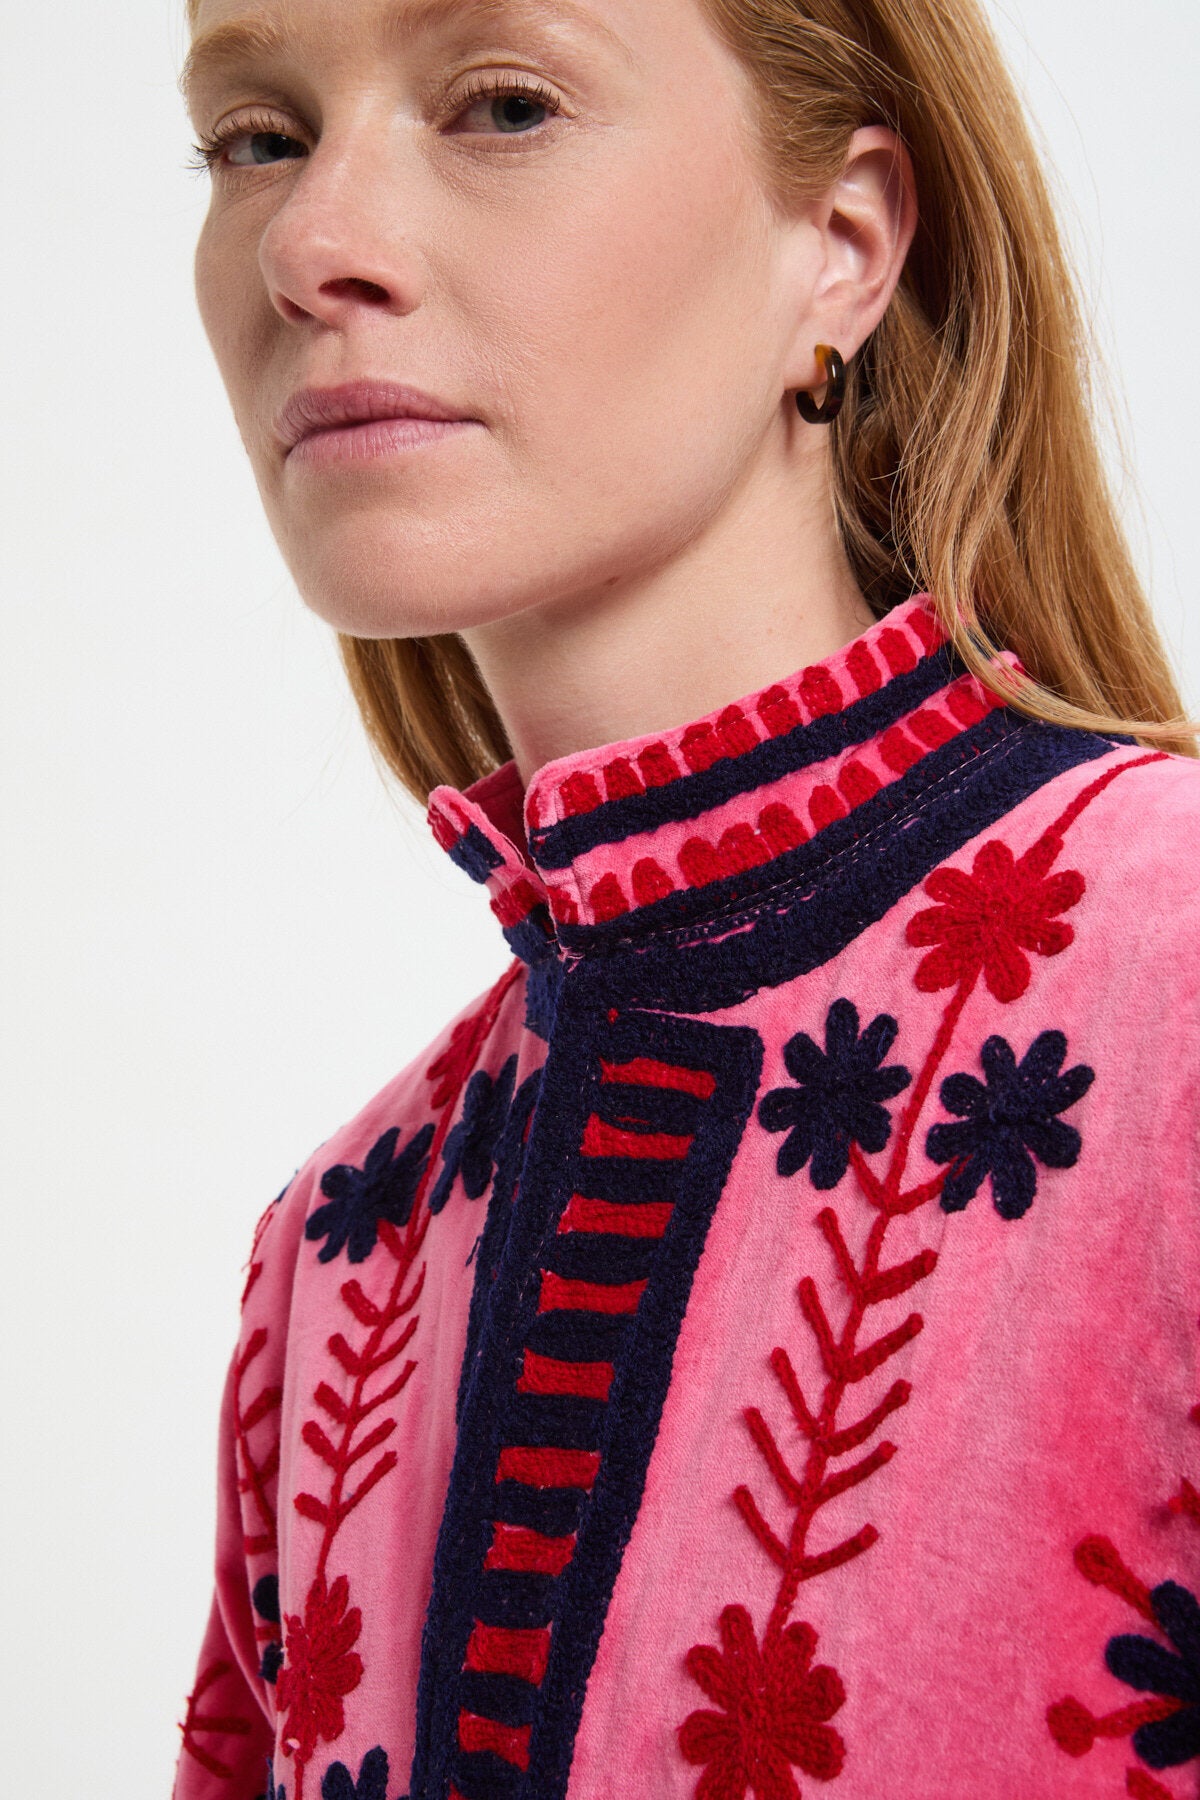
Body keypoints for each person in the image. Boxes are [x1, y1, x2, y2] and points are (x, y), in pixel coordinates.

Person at [173, 0, 1200, 1794]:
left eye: (503, 104)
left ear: (843, 243)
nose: (309, 244)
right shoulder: (338, 1254)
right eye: (256, 136)